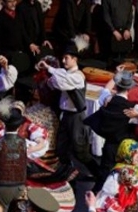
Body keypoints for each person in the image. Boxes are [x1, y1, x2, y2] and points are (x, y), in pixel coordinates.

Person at [37, 36, 89, 172]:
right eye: (63, 58)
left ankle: (95, 173)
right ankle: (66, 173)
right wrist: (48, 67)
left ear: (74, 59)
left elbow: (61, 82)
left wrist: (51, 76)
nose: (63, 61)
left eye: (66, 58)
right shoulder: (65, 73)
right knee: (61, 148)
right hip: (66, 116)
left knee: (79, 150)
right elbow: (60, 74)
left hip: (76, 117)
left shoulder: (78, 77)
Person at [84, 70, 136, 188]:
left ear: (116, 86)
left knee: (104, 175)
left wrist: (116, 75)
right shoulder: (132, 108)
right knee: (123, 176)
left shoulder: (107, 100)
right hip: (124, 148)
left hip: (109, 146)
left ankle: (96, 194)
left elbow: (106, 89)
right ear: (129, 89)